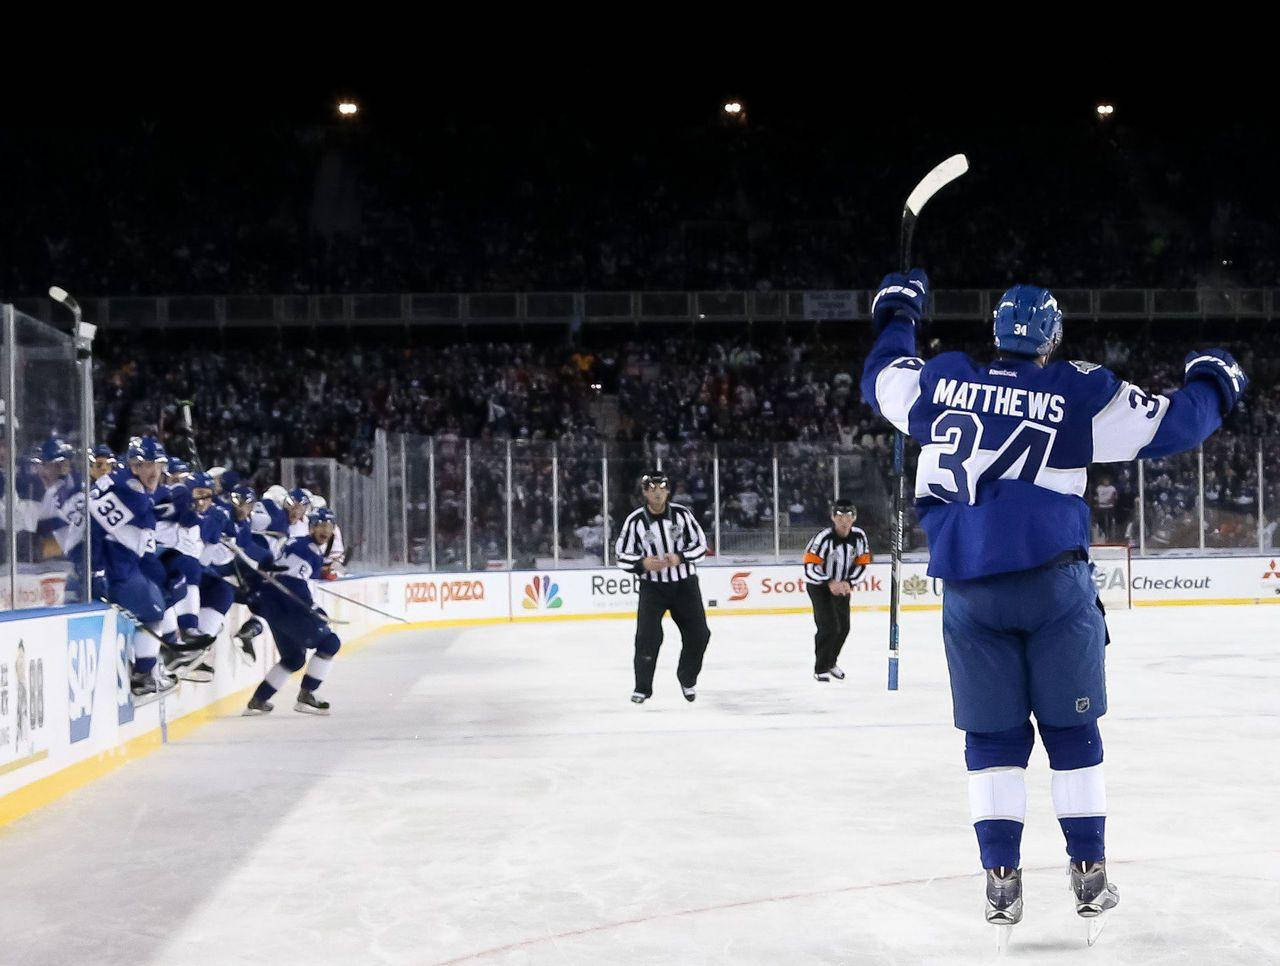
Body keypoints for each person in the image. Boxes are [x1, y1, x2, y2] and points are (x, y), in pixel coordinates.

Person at [861, 270, 1246, 939]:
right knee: (1071, 731)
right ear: (1053, 335)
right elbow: (1177, 427)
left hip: (969, 592)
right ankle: (1089, 874)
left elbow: (881, 374)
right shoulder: (1075, 388)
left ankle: (1001, 884)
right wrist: (1215, 376)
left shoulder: (938, 380)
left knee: (993, 740)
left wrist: (899, 310)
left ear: (996, 334)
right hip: (1052, 585)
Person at [613, 470, 710, 704]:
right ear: (645, 493)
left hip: (685, 586)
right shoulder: (635, 520)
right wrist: (642, 563)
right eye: (651, 489)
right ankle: (642, 688)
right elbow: (621, 555)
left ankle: (687, 677)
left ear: (668, 491)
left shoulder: (683, 515)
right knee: (647, 637)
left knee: (699, 634)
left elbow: (701, 546)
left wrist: (681, 557)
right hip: (653, 588)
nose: (657, 493)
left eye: (661, 488)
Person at [242, 507, 343, 716]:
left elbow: (291, 576)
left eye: (329, 526)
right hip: (286, 607)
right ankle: (307, 696)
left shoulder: (301, 544)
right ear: (311, 526)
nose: (324, 530)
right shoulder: (308, 550)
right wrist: (313, 608)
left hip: (273, 606)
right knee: (330, 643)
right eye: (320, 525)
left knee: (294, 658)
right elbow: (292, 583)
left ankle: (258, 700)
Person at [801, 498, 871, 682]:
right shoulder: (823, 538)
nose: (844, 520)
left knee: (844, 628)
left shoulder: (859, 537)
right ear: (833, 517)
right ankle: (820, 668)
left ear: (854, 518)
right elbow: (809, 566)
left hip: (843, 587)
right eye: (840, 516)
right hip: (819, 587)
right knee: (828, 626)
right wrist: (829, 582)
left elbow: (863, 564)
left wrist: (849, 582)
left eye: (848, 515)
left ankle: (831, 662)